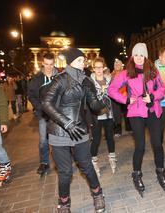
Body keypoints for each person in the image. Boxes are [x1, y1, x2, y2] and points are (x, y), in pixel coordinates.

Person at [42, 48, 106, 212]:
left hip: (79, 130)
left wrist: (103, 100)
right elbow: (46, 104)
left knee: (86, 165)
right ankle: (64, 203)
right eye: (79, 60)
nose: (83, 63)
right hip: (59, 131)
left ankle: (98, 194)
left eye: (84, 60)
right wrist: (67, 123)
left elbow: (93, 105)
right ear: (70, 62)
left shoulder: (86, 81)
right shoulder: (60, 80)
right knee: (64, 172)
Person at [108, 43, 165, 196]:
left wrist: (153, 96)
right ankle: (136, 174)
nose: (139, 58)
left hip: (153, 110)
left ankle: (161, 171)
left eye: (142, 55)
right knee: (140, 146)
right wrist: (126, 99)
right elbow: (111, 90)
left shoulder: (153, 71)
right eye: (136, 55)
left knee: (157, 143)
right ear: (132, 57)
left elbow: (162, 89)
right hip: (136, 113)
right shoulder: (126, 73)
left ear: (146, 56)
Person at [28, 53, 59, 176]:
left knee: (59, 138)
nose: (49, 67)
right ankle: (44, 162)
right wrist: (40, 108)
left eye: (51, 64)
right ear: (43, 63)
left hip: (57, 113)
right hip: (43, 114)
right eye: (46, 64)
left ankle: (60, 160)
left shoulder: (59, 76)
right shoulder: (37, 78)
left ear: (54, 63)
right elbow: (31, 95)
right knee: (43, 140)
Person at [90, 57, 117, 177]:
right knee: (96, 140)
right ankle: (93, 161)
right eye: (96, 67)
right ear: (93, 69)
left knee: (110, 137)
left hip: (108, 114)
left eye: (101, 67)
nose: (99, 69)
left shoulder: (109, 80)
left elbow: (115, 94)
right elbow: (90, 99)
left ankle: (112, 158)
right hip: (97, 116)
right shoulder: (90, 82)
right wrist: (101, 91)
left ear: (104, 68)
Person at [111, 59, 131, 136]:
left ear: (121, 66)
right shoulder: (111, 75)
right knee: (116, 115)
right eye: (116, 65)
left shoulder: (125, 74)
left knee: (127, 112)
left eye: (118, 64)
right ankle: (117, 130)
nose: (117, 66)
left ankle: (129, 127)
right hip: (115, 98)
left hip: (125, 95)